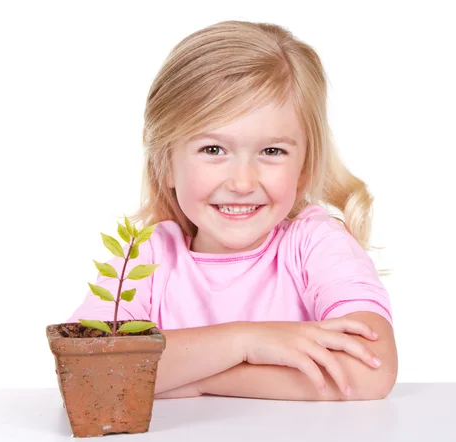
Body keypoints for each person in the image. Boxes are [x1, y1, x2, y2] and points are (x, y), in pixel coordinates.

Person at [67, 19, 398, 401]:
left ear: (304, 169)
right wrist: (246, 340)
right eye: (213, 150)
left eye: (272, 151)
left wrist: (199, 381)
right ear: (167, 164)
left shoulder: (316, 244)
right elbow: (85, 370)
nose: (242, 182)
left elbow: (369, 370)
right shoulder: (146, 256)